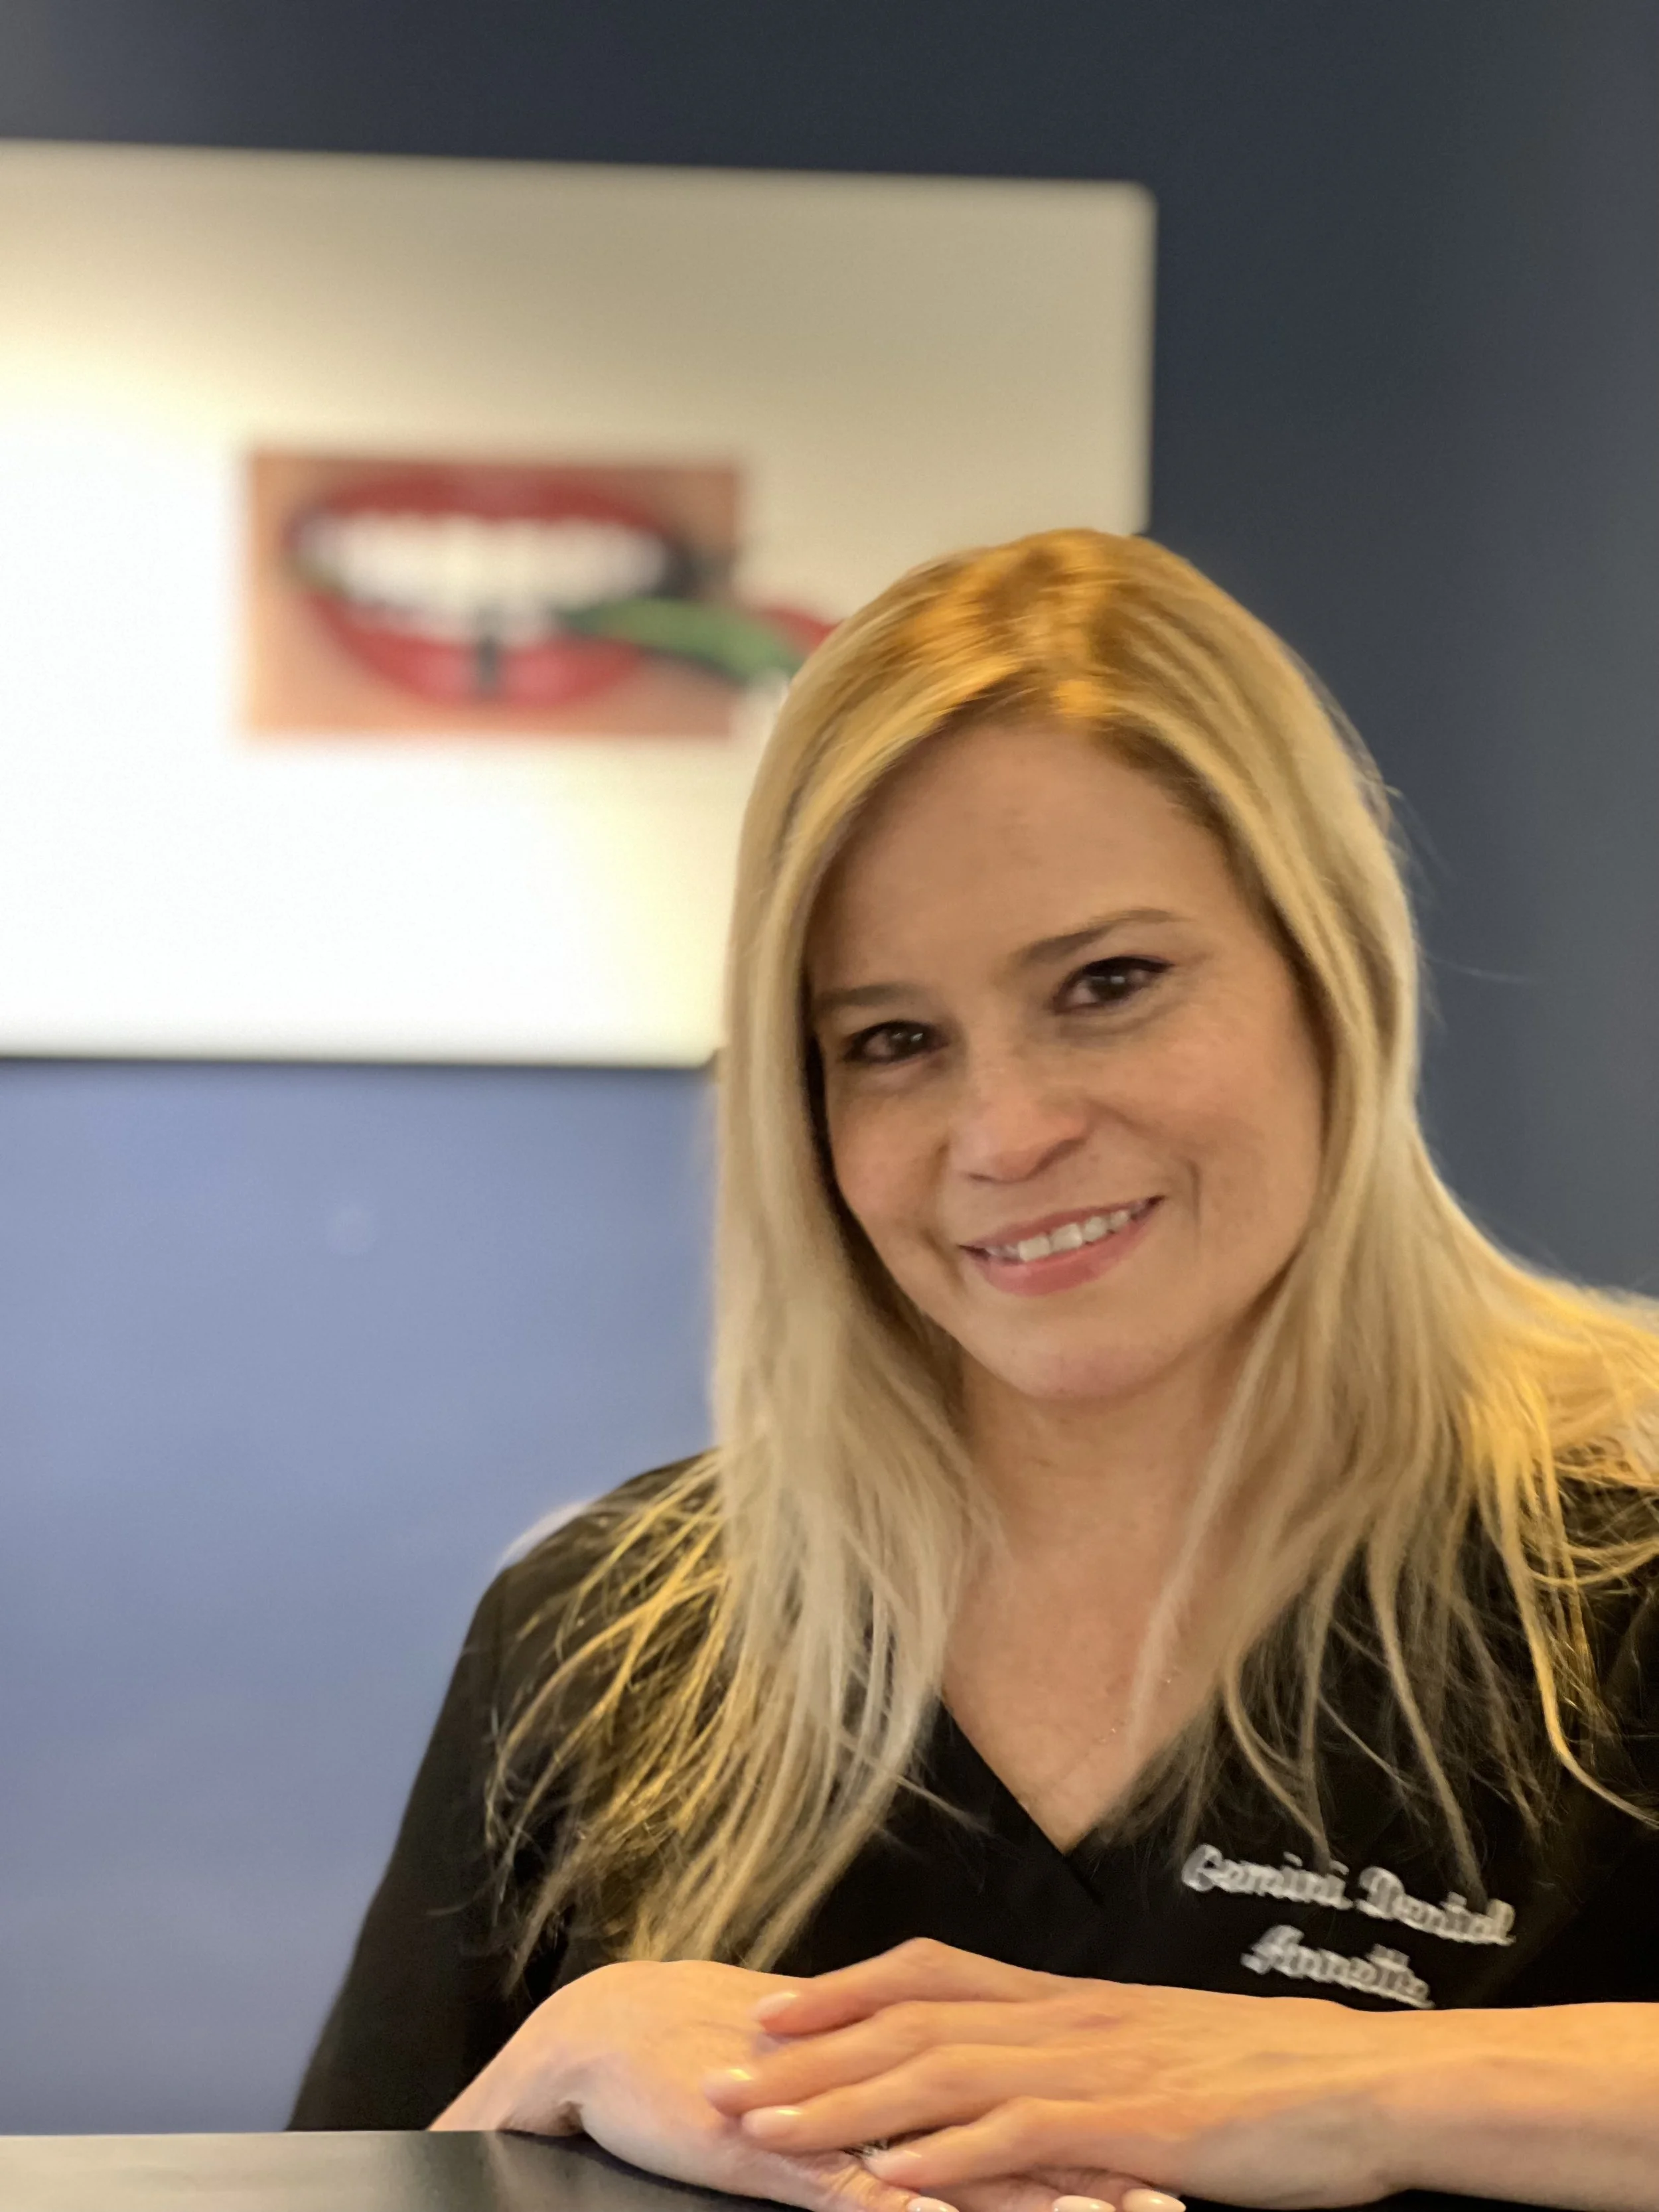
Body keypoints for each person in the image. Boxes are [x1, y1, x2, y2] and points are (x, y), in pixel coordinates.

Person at [292, 531, 1659, 2212]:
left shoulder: (1619, 1569)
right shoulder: (607, 1639)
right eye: (890, 1042)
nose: (1005, 1133)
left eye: (1107, 985)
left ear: (1333, 973)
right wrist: (578, 2051)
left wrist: (1361, 2083)